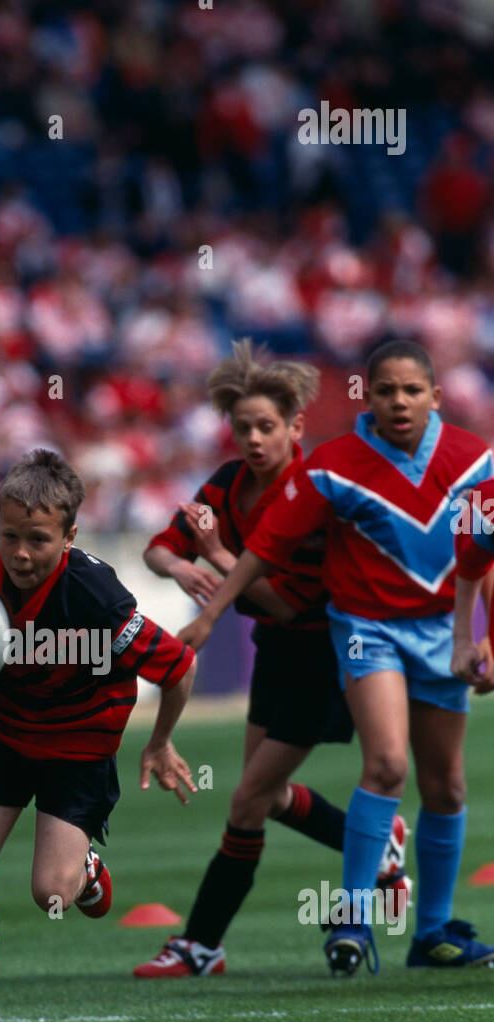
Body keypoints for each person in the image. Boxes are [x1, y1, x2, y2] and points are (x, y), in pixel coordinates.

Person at [182, 341, 494, 973]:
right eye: (385, 391)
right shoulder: (332, 466)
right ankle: (352, 920)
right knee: (385, 765)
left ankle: (432, 933)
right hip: (364, 629)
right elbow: (265, 548)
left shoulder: (475, 461)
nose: (398, 402)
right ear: (367, 397)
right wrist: (211, 614)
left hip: (440, 632)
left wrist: (483, 637)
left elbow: (483, 553)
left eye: (411, 390)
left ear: (435, 396)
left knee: (447, 785)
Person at [0, 447, 197, 1022]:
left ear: (70, 535)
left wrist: (160, 743)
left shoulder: (94, 594)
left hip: (81, 743)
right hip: (3, 734)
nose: (22, 553)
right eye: (11, 536)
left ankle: (82, 869)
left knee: (52, 893)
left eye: (39, 539)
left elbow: (179, 667)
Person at [136, 339, 406, 979]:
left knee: (246, 800)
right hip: (274, 654)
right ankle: (378, 843)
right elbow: (158, 547)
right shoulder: (227, 484)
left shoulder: (313, 493)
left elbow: (288, 604)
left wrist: (217, 555)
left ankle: (201, 945)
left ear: (296, 428)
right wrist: (179, 563)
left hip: (322, 656)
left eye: (266, 427)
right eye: (242, 427)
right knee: (262, 798)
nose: (254, 439)